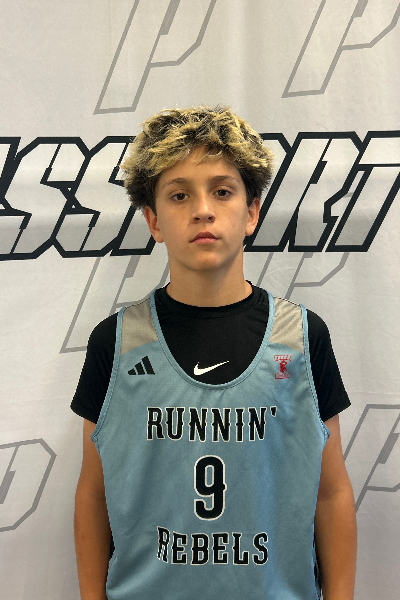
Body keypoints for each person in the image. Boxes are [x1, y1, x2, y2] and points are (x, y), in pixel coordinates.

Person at [72, 106, 357, 600]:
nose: (203, 209)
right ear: (154, 220)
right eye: (179, 195)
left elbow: (331, 494)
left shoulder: (302, 337)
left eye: (222, 191)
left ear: (251, 212)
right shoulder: (115, 342)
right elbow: (93, 495)